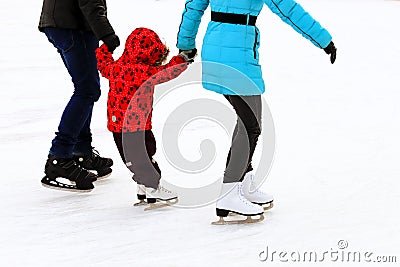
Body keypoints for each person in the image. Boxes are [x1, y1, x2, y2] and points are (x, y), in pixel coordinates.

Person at [177, 0, 337, 223]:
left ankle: (243, 184)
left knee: (247, 121)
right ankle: (228, 193)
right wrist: (324, 40)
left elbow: (194, 7)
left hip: (214, 49)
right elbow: (288, 10)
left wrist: (186, 44)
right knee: (250, 125)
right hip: (239, 57)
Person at [95, 27, 190, 206]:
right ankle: (153, 187)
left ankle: (143, 187)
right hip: (137, 126)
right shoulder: (142, 72)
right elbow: (167, 72)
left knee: (135, 157)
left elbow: (102, 62)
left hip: (117, 126)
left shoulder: (116, 67)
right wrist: (182, 59)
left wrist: (106, 48)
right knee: (145, 155)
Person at [38, 0, 121, 192]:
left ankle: (81, 151)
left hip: (63, 22)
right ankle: (60, 156)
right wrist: (107, 34)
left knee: (86, 88)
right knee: (87, 89)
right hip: (72, 25)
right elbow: (89, 3)